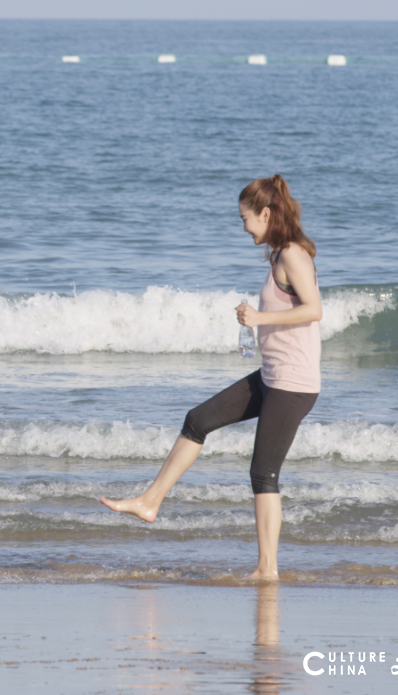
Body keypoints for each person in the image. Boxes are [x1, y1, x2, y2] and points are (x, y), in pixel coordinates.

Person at [101, 175, 321, 581]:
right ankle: (150, 501)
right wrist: (255, 321)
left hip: (294, 384)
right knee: (197, 420)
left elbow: (313, 310)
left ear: (266, 214)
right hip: (273, 376)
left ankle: (267, 570)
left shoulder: (293, 254)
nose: (242, 227)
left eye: (245, 219)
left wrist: (260, 317)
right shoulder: (277, 257)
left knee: (263, 473)